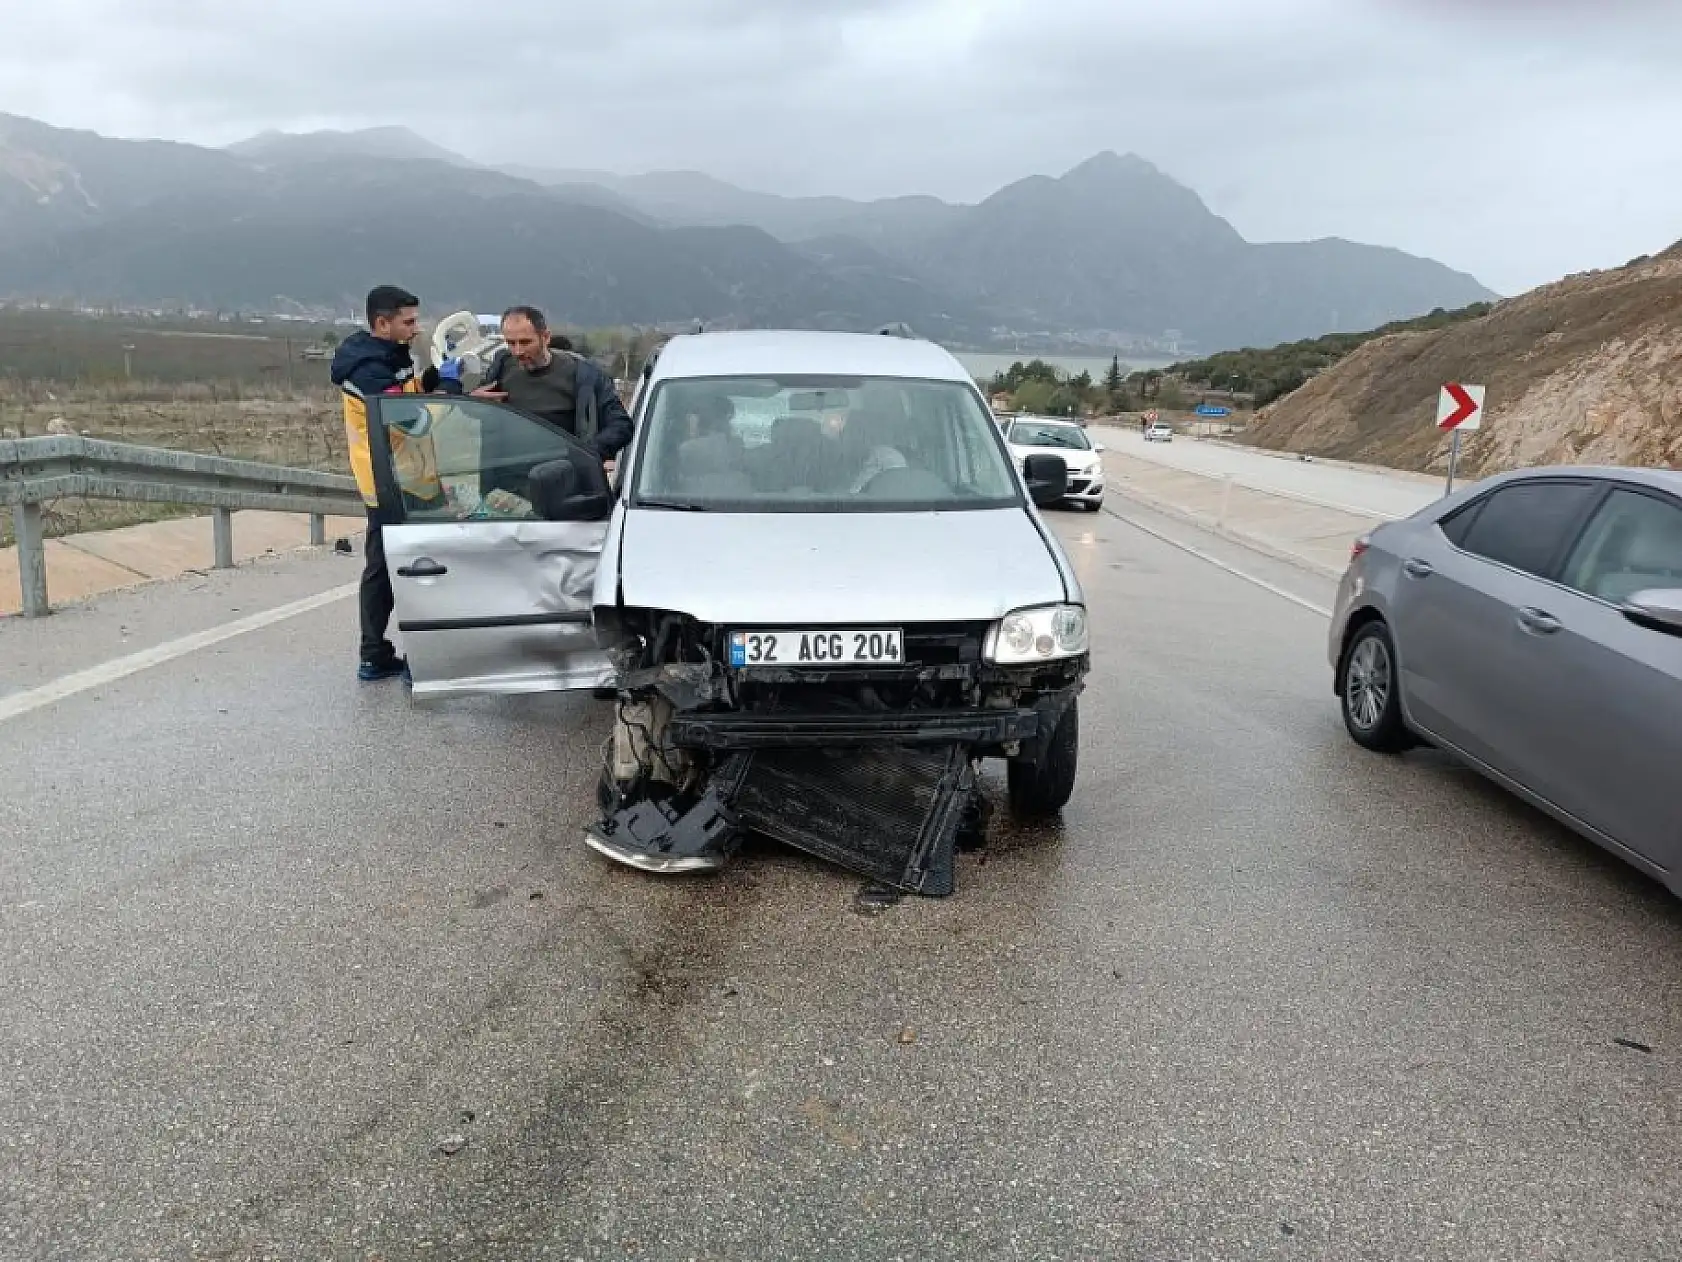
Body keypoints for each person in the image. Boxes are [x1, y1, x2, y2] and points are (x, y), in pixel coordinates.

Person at [331, 284, 463, 683]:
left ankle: (377, 654)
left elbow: (405, 394)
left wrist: (431, 378)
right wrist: (449, 393)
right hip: (391, 483)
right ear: (381, 322)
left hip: (408, 478)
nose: (416, 328)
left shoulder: (387, 356)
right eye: (408, 322)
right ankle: (408, 658)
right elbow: (413, 421)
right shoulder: (368, 372)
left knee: (387, 567)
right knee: (407, 569)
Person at [474, 305, 633, 464]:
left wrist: (587, 453)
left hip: (565, 480)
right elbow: (476, 404)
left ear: (546, 337)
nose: (518, 351)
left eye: (525, 342)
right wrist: (476, 402)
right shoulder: (501, 367)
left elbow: (621, 426)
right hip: (509, 477)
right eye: (511, 343)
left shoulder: (584, 374)